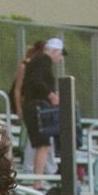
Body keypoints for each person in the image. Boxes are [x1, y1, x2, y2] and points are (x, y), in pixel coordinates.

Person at [21, 36, 65, 184]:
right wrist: (50, 94)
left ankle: (38, 180)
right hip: (36, 106)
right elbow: (37, 80)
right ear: (54, 51)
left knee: (42, 144)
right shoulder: (43, 60)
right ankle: (37, 182)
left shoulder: (37, 60)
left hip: (32, 104)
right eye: (60, 54)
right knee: (43, 143)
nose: (60, 58)